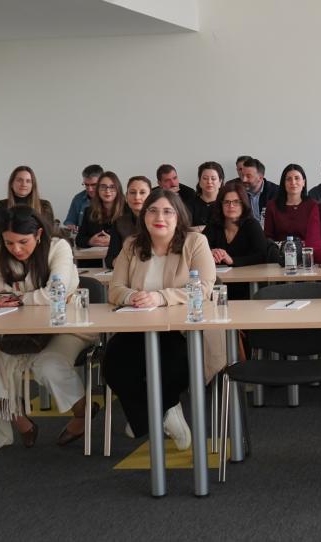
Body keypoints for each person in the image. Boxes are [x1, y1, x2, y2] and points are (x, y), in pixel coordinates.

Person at [0, 206, 93, 449]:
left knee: (49, 366)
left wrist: (14, 297)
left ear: (38, 234)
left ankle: (83, 412)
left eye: (23, 242)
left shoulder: (57, 248)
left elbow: (55, 294)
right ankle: (19, 419)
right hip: (11, 331)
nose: (16, 249)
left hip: (62, 326)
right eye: (9, 242)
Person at [103, 189, 222, 450]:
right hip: (139, 327)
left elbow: (204, 287)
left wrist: (160, 297)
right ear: (144, 215)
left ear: (179, 216)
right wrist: (133, 296)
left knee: (176, 366)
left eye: (168, 211)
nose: (160, 217)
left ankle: (150, 413)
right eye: (153, 211)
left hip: (182, 330)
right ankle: (164, 412)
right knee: (113, 364)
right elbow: (115, 289)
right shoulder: (132, 245)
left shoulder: (195, 241)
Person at [263, 164, 321, 259]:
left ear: (303, 182)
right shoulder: (272, 206)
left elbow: (317, 238)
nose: (293, 182)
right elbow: (268, 237)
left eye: (297, 178)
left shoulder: (313, 206)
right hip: (279, 256)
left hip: (307, 256)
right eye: (289, 179)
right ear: (283, 183)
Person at [204, 181, 270, 268]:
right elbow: (198, 250)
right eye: (226, 202)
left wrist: (232, 260)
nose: (231, 206)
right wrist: (210, 252)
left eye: (236, 202)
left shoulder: (252, 225)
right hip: (218, 275)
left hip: (248, 275)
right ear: (221, 205)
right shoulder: (213, 225)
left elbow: (262, 256)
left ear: (243, 204)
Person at [0, 166, 57, 237]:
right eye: (19, 180)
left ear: (33, 185)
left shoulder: (45, 206)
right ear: (11, 183)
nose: (24, 184)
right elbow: (0, 236)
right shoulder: (0, 206)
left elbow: (48, 235)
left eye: (28, 181)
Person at [105, 176, 151, 268]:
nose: (137, 197)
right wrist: (119, 262)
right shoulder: (119, 222)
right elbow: (109, 260)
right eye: (132, 192)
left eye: (142, 192)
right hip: (128, 271)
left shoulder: (160, 221)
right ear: (126, 196)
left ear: (151, 196)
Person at [75, 171, 121, 248]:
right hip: (94, 255)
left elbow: (135, 241)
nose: (107, 191)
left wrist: (114, 241)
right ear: (98, 190)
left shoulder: (128, 211)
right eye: (103, 187)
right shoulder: (88, 211)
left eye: (112, 187)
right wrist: (90, 241)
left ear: (118, 189)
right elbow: (79, 240)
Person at [156, 164, 208, 229]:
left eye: (175, 178)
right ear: (160, 184)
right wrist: (168, 197)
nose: (173, 183)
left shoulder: (189, 193)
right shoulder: (153, 194)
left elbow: (189, 219)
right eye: (167, 180)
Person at [63, 164, 103, 235]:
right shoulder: (78, 199)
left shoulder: (110, 199)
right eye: (86, 185)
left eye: (94, 185)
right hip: (82, 238)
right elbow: (70, 221)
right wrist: (70, 226)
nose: (90, 189)